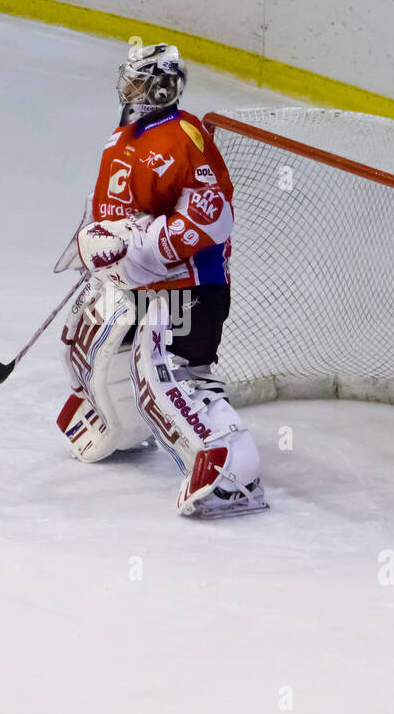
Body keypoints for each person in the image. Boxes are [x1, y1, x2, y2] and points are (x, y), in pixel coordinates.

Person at [54, 43, 266, 519]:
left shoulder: (185, 139)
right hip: (132, 280)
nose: (124, 90)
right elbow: (109, 203)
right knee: (85, 344)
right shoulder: (124, 136)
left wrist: (131, 243)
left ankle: (236, 473)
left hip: (189, 286)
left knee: (175, 378)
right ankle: (118, 427)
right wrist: (92, 239)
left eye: (134, 82)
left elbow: (212, 221)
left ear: (160, 87)